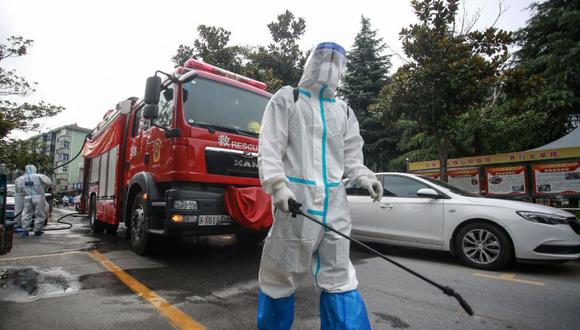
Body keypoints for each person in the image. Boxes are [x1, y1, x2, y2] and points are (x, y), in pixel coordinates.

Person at [257, 42, 383, 329]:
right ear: (311, 62)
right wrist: (278, 186)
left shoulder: (344, 111)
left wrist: (365, 176)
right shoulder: (289, 98)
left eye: (336, 61)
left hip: (335, 203)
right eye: (324, 58)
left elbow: (351, 154)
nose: (329, 66)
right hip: (296, 202)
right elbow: (270, 144)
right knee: (280, 273)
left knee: (339, 276)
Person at [14, 165, 52, 236]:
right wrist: (43, 186)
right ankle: (37, 230)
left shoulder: (21, 179)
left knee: (26, 213)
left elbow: (18, 189)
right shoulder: (39, 176)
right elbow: (49, 182)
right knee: (39, 213)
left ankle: (25, 230)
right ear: (35, 169)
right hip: (39, 197)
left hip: (27, 197)